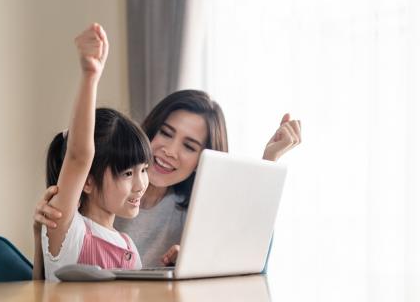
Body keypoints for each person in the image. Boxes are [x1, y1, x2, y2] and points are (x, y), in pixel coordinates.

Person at [33, 42, 302, 279]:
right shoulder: (76, 224)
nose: (170, 151)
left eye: (189, 146)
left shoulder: (134, 241)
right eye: (166, 133)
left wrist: (270, 159)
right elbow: (80, 156)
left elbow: (243, 245)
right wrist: (90, 75)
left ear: (202, 160)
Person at [39, 23, 152, 281]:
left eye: (143, 170)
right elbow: (79, 156)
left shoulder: (129, 247)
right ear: (88, 181)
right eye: (127, 173)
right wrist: (90, 76)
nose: (141, 184)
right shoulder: (67, 231)